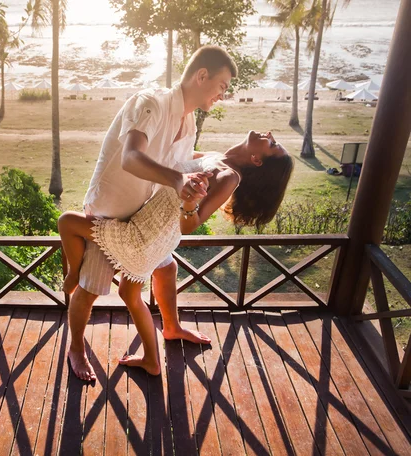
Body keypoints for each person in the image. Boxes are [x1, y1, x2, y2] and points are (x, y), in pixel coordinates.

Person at [66, 45, 237, 381]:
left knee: (167, 268)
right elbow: (131, 157)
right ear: (201, 76)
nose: (223, 94)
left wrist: (210, 161)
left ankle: (170, 328)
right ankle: (75, 347)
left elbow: (178, 162)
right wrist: (178, 180)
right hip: (109, 215)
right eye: (222, 85)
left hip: (142, 222)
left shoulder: (188, 123)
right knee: (89, 290)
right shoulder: (151, 103)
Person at [59, 131, 294, 376]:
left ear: (257, 159)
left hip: (142, 235)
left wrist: (190, 203)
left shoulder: (228, 177)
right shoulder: (219, 158)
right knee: (154, 278)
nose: (269, 135)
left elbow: (190, 225)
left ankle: (74, 276)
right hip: (159, 233)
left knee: (68, 222)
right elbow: (172, 158)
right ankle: (165, 337)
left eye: (273, 144)